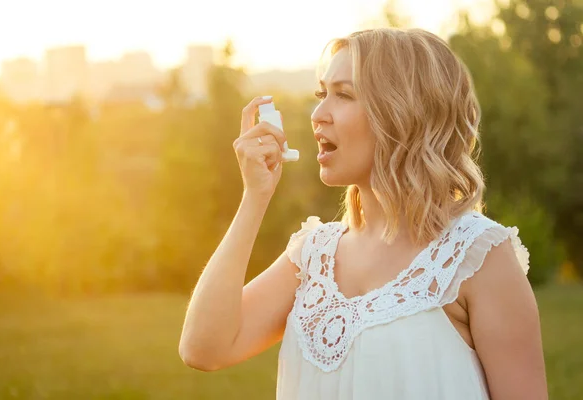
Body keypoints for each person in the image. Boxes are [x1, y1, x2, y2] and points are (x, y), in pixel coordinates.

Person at [179, 27, 547, 400]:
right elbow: (203, 348)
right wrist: (254, 198)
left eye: (343, 95)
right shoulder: (313, 256)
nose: (318, 114)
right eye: (322, 94)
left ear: (403, 112)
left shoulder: (477, 256)